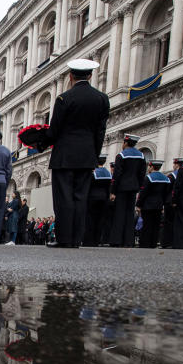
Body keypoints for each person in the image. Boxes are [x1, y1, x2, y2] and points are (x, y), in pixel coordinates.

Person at [44, 59, 109, 248]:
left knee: (64, 197)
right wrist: (94, 155)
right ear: (90, 75)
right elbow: (100, 131)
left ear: (71, 76)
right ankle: (76, 239)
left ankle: (64, 238)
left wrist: (41, 140)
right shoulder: (102, 99)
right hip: (87, 154)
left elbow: (54, 131)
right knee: (81, 197)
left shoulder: (64, 99)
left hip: (64, 155)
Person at [109, 134, 144, 248]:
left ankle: (117, 240)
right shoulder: (141, 156)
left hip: (122, 188)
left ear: (125, 143)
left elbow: (117, 174)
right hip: (133, 187)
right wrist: (138, 186)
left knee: (119, 214)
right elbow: (141, 174)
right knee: (130, 214)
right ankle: (128, 241)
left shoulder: (121, 156)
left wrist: (113, 191)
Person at [136, 159, 169, 248]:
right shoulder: (166, 178)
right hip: (159, 205)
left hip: (148, 205)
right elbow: (166, 193)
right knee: (156, 225)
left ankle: (145, 243)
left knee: (147, 225)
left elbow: (143, 193)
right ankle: (153, 243)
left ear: (151, 167)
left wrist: (139, 204)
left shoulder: (148, 178)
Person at [83, 154, 111, 246]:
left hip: (92, 198)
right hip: (104, 198)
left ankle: (89, 240)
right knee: (100, 220)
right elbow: (109, 188)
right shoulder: (108, 173)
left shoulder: (93, 173)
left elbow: (88, 186)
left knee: (90, 220)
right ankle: (96, 240)